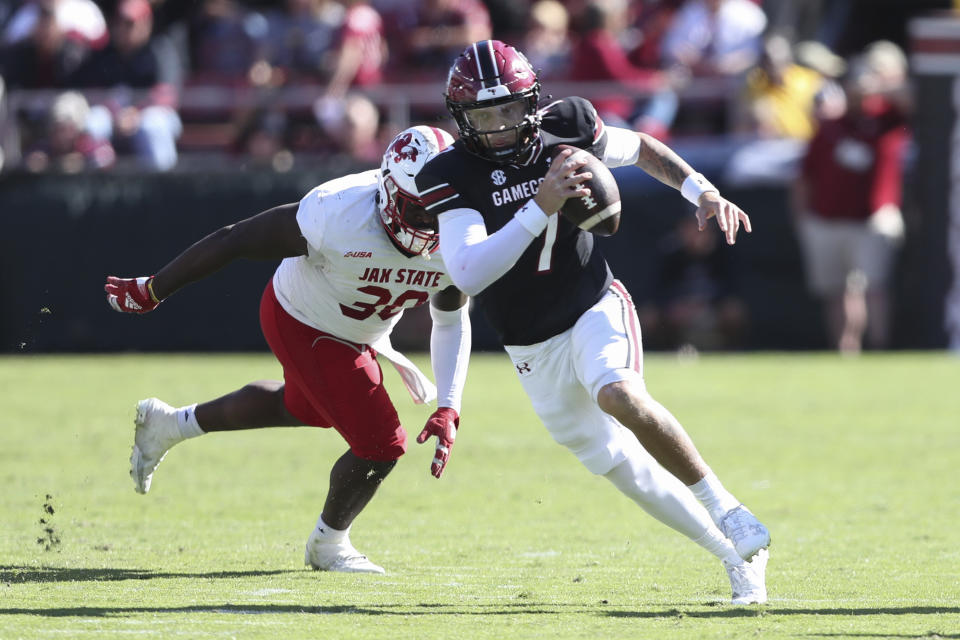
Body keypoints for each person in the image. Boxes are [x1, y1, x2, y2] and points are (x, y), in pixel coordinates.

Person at [415, 40, 770, 604]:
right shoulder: (452, 173)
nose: (501, 127)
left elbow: (642, 148)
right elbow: (467, 271)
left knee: (619, 394)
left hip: (592, 304)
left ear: (531, 101)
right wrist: (541, 206)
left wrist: (700, 190)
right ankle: (737, 556)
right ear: (463, 119)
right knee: (615, 463)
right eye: (484, 116)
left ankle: (728, 508)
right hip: (529, 343)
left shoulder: (568, 125)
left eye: (508, 110)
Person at [105, 125, 471, 574]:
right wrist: (154, 289)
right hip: (301, 317)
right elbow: (233, 238)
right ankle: (329, 544)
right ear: (391, 193)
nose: (434, 222)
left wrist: (450, 406)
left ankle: (169, 425)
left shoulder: (464, 229)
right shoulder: (336, 213)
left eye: (443, 207)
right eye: (421, 209)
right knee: (381, 442)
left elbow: (450, 317)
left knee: (300, 408)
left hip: (358, 329)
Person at [792, 47, 910, 354]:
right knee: (836, 290)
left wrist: (880, 84)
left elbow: (915, 99)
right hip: (827, 219)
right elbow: (805, 176)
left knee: (873, 287)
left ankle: (880, 346)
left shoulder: (887, 117)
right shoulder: (831, 126)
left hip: (871, 219)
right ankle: (845, 348)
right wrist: (803, 217)